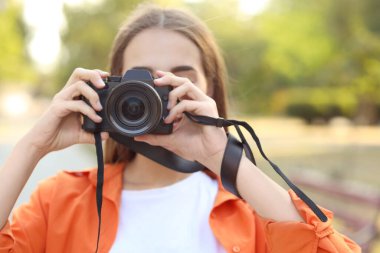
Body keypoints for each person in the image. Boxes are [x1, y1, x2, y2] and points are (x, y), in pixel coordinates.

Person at [0, 3, 360, 253]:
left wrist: (220, 155)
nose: (156, 95)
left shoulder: (254, 208)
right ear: (111, 92)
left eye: (178, 79)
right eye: (140, 81)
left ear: (210, 91)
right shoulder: (60, 200)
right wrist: (32, 146)